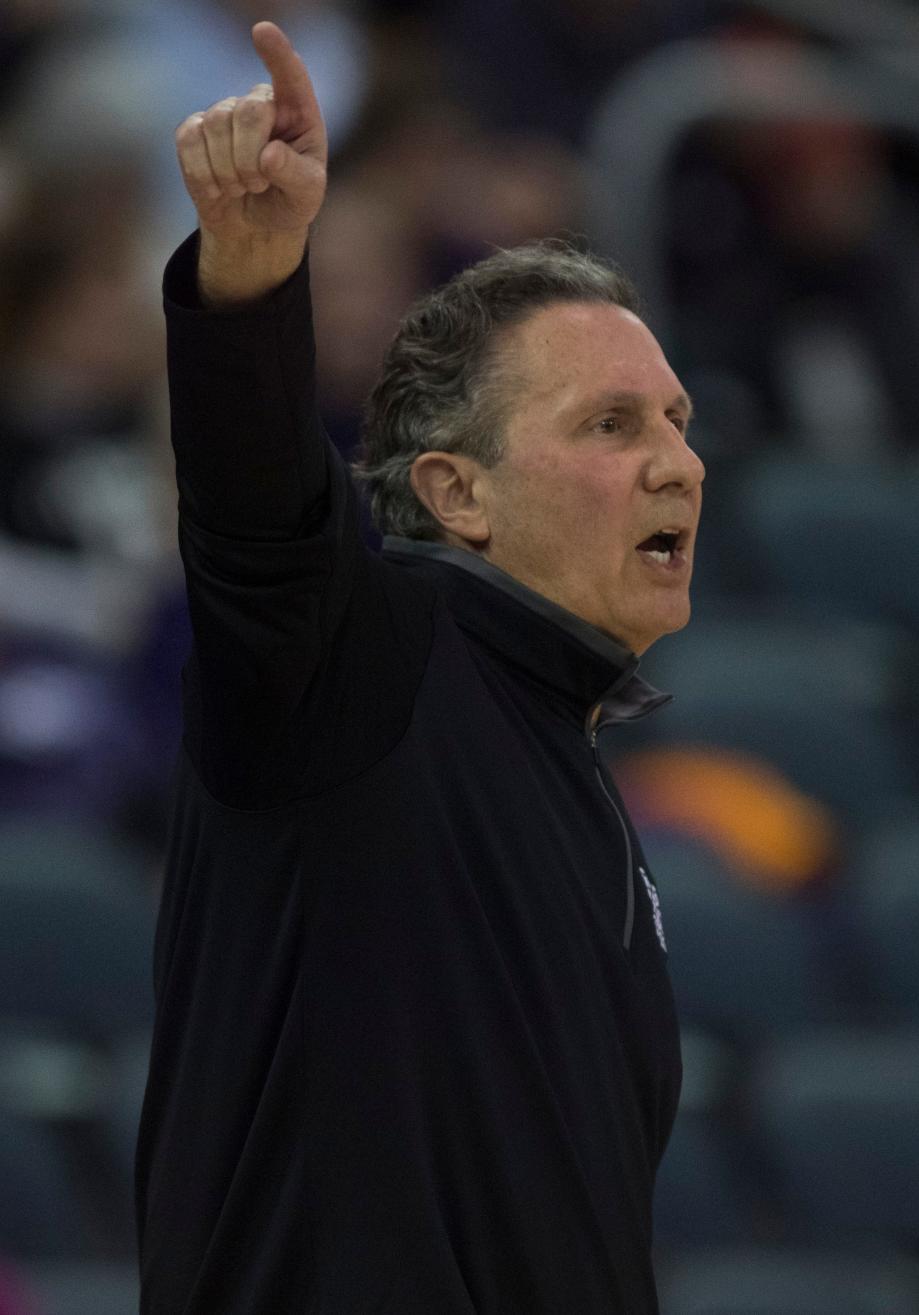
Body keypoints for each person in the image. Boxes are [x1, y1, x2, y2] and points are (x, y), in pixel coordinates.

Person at [135, 20, 704, 1314]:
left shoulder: (574, 758)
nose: (679, 462)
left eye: (678, 420)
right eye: (612, 425)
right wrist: (253, 277)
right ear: (456, 492)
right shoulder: (359, 660)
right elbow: (260, 517)